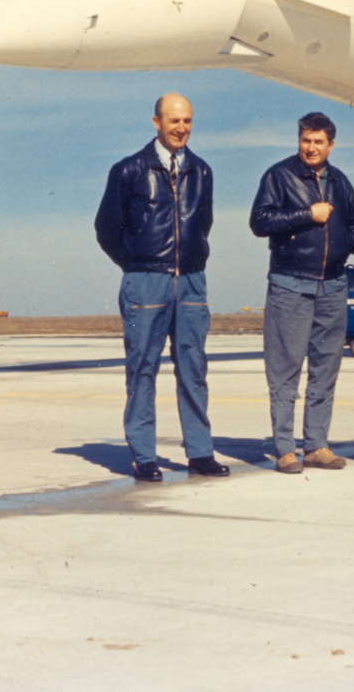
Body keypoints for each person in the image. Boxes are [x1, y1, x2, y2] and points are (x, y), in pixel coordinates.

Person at [94, 93, 228, 483]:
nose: (181, 128)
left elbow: (203, 223)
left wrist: (188, 261)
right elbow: (107, 229)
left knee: (193, 368)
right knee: (142, 369)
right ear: (156, 122)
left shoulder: (201, 171)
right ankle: (144, 456)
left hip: (190, 280)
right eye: (173, 121)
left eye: (187, 121)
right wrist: (137, 263)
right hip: (145, 281)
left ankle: (200, 453)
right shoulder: (129, 170)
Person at [250, 112, 354, 473]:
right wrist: (306, 215)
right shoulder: (278, 176)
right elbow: (260, 221)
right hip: (290, 284)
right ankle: (286, 448)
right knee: (285, 370)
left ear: (331, 145)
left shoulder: (340, 181)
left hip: (332, 285)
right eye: (305, 140)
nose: (311, 147)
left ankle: (316, 445)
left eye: (318, 142)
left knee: (325, 369)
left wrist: (344, 248)